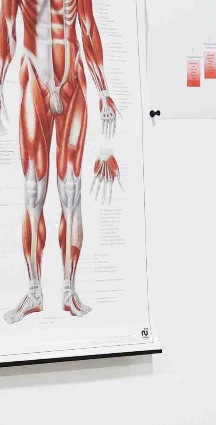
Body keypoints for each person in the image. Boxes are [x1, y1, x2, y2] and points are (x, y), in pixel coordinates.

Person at [0, 0, 120, 324]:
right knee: (33, 191)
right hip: (34, 83)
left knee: (71, 190)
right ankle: (34, 290)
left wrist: (104, 90)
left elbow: (88, 27)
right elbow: (7, 28)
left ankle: (69, 289)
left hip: (73, 83)